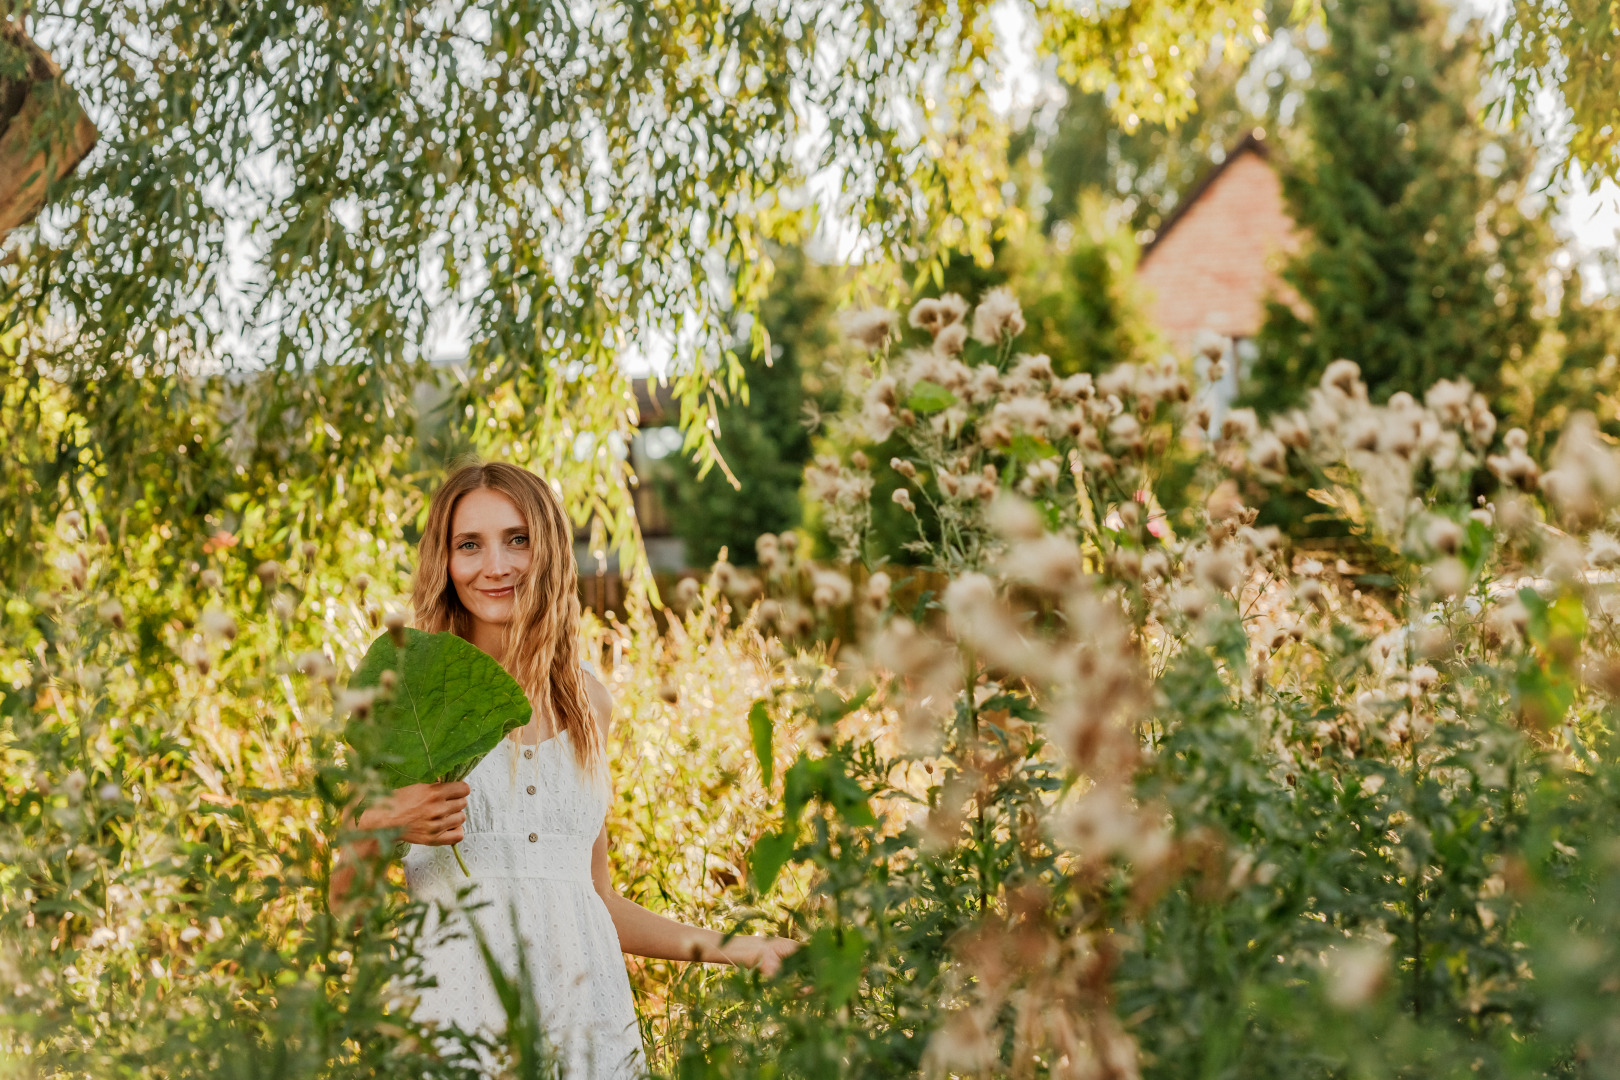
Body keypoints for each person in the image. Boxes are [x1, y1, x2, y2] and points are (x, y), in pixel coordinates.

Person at [330, 460, 797, 1078]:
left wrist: (750, 950)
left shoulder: (588, 704)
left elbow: (594, 899)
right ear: (444, 563)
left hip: (587, 1022)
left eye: (517, 539)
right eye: (469, 544)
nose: (496, 565)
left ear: (548, 550)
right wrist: (383, 821)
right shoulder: (407, 697)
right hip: (456, 1022)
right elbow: (343, 910)